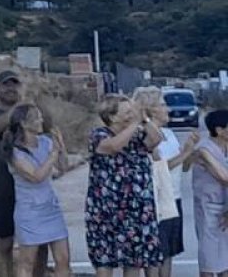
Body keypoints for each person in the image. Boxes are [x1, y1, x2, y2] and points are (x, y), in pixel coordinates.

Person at [84, 94, 163, 277]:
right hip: (106, 211)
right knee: (105, 259)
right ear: (111, 117)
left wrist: (145, 120)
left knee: (134, 260)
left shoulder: (137, 134)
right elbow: (112, 147)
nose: (131, 115)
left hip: (137, 210)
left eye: (132, 111)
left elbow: (156, 140)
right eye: (127, 112)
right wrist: (135, 123)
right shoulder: (99, 135)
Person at [0, 70, 50, 277]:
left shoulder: (32, 113)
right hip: (3, 184)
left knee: (40, 238)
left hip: (32, 185)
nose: (11, 88)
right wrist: (18, 110)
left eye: (15, 84)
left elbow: (47, 130)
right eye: (6, 85)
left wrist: (33, 107)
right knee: (5, 241)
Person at [132, 88, 200, 277]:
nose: (167, 109)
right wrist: (185, 153)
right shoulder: (146, 135)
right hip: (157, 200)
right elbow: (159, 167)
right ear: (150, 109)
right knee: (156, 253)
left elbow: (182, 167)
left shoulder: (169, 133)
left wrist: (189, 152)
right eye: (162, 104)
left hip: (173, 197)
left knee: (169, 251)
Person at [3, 104, 70, 277]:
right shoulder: (15, 152)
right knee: (27, 261)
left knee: (63, 259)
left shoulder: (46, 143)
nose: (41, 120)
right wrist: (53, 154)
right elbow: (36, 176)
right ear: (24, 124)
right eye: (36, 117)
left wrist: (61, 148)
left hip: (50, 207)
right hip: (29, 211)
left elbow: (62, 168)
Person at [189, 109, 228, 277]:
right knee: (210, 258)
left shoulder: (225, 147)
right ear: (219, 130)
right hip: (209, 208)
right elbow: (224, 178)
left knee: (225, 259)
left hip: (225, 208)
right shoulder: (204, 149)